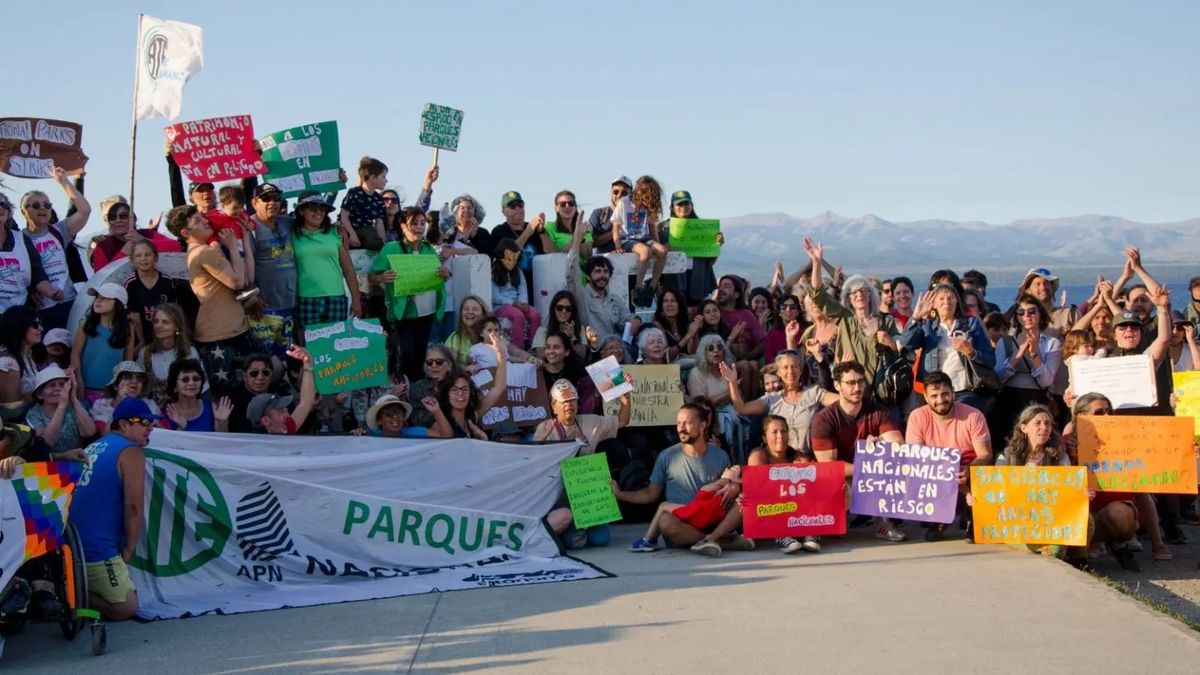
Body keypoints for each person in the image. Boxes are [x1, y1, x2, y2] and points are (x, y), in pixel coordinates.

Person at [612, 404, 751, 557]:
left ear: (702, 425)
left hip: (712, 520)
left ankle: (712, 538)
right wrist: (622, 495)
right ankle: (722, 542)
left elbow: (727, 483)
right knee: (664, 521)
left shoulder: (720, 455)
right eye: (678, 423)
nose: (681, 428)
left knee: (744, 503)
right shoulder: (667, 456)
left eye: (687, 423)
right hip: (682, 525)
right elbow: (651, 493)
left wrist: (735, 487)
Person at [72, 397, 155, 620]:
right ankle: (70, 596)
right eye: (144, 422)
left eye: (151, 423)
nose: (150, 428)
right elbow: (134, 507)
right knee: (126, 608)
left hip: (73, 544)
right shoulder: (131, 451)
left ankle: (68, 586)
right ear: (124, 424)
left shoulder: (96, 445)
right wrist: (129, 548)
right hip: (96, 547)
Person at [1062, 393, 1165, 570]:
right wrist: (1072, 457)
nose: (1107, 417)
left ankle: (1118, 543)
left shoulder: (1124, 444)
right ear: (1081, 417)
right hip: (1080, 516)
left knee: (1120, 514)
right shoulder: (1063, 444)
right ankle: (1082, 550)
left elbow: (1142, 491)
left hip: (1112, 514)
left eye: (1110, 412)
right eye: (1099, 413)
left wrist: (1158, 545)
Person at [810, 361, 905, 541]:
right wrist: (868, 461)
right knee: (842, 488)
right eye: (851, 383)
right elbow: (829, 466)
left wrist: (880, 448)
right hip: (841, 475)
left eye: (861, 382)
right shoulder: (823, 419)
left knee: (895, 468)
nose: (857, 387)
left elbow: (897, 445)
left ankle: (884, 523)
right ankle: (829, 520)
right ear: (837, 385)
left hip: (871, 471)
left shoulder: (878, 411)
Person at [168, 205, 252, 393]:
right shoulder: (204, 252)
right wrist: (231, 245)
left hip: (230, 330)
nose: (206, 221)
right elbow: (238, 282)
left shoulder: (203, 250)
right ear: (185, 232)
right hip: (221, 336)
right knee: (233, 394)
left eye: (202, 217)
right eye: (197, 221)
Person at [904, 372, 992, 541]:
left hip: (968, 464)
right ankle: (939, 518)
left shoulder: (973, 415)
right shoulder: (917, 416)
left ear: (953, 392)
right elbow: (915, 456)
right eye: (934, 396)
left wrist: (968, 469)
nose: (940, 400)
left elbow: (985, 454)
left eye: (945, 394)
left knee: (984, 473)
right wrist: (943, 470)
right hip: (935, 467)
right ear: (926, 397)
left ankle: (973, 515)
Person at [803, 239, 900, 389]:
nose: (859, 295)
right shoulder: (844, 319)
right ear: (848, 298)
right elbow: (818, 295)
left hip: (883, 394)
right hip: (852, 392)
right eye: (853, 292)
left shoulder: (886, 322)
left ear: (870, 295)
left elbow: (903, 354)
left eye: (863, 290)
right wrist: (816, 263)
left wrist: (891, 343)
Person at [370, 207, 450, 381]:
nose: (419, 227)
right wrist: (382, 276)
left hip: (427, 311)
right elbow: (371, 277)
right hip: (403, 312)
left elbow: (439, 276)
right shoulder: (391, 249)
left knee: (422, 353)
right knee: (406, 353)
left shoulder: (429, 249)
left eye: (423, 223)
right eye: (414, 223)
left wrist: (445, 275)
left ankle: (419, 391)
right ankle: (406, 390)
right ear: (403, 226)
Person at [724, 349, 837, 458]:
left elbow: (841, 402)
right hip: (779, 461)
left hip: (807, 460)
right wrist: (732, 382)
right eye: (785, 367)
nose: (790, 371)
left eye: (794, 366)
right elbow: (742, 408)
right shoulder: (771, 399)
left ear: (800, 370)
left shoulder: (814, 393)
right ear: (779, 372)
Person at [899, 284, 996, 409]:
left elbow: (990, 359)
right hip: (937, 392)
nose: (947, 302)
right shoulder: (927, 326)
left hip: (965, 389)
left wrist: (971, 352)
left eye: (951, 298)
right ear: (934, 304)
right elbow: (907, 343)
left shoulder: (971, 324)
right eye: (941, 298)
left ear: (957, 301)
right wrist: (916, 317)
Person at [20, 166, 91, 330]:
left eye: (47, 204)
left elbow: (84, 210)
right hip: (39, 309)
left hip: (69, 303)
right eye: (36, 205)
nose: (43, 208)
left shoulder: (59, 231)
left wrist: (63, 182)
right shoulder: (17, 239)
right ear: (24, 212)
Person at [746, 415, 822, 553]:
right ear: (764, 437)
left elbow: (818, 483)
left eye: (784, 431)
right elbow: (757, 488)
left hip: (798, 510)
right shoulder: (758, 455)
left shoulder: (800, 457)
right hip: (769, 510)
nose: (780, 436)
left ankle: (809, 533)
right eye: (774, 432)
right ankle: (782, 535)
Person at [993, 294, 1063, 442]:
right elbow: (998, 377)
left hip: (1036, 401)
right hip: (1008, 401)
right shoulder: (1005, 342)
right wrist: (1017, 355)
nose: (1026, 316)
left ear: (1040, 314)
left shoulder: (1052, 343)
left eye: (1032, 311)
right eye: (1021, 312)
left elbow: (1046, 380)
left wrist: (1034, 354)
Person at [293, 191, 362, 329]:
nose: (319, 212)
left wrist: (356, 300)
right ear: (301, 211)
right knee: (309, 348)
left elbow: (348, 271)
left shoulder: (335, 233)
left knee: (336, 346)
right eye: (313, 208)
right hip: (305, 299)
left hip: (336, 298)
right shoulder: (291, 233)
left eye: (322, 208)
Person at [247, 182, 298, 356]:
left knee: (286, 357)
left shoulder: (287, 222)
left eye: (276, 198)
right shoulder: (249, 227)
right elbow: (244, 264)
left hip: (289, 304)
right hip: (264, 307)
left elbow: (315, 218)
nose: (272, 202)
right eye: (266, 199)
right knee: (264, 360)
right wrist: (253, 295)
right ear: (255, 203)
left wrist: (340, 227)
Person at [567, 216, 636, 340]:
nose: (602, 275)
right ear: (588, 277)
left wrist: (637, 321)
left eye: (605, 271)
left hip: (616, 350)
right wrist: (577, 240)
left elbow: (626, 322)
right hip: (593, 351)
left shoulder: (615, 300)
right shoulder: (580, 296)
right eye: (597, 271)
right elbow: (571, 272)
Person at [123, 239, 197, 343]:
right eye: (138, 255)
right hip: (142, 336)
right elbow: (134, 316)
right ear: (132, 259)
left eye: (147, 254)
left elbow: (172, 312)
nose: (143, 258)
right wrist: (141, 341)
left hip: (165, 335)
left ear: (156, 257)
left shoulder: (166, 281)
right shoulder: (130, 283)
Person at [71, 283, 136, 401]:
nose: (98, 301)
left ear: (118, 304)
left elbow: (128, 359)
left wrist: (124, 386)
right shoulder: (86, 324)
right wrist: (78, 382)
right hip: (86, 388)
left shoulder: (127, 328)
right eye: (97, 297)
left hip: (113, 390)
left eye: (105, 298)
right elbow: (75, 353)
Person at [437, 335, 508, 438]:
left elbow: (499, 387)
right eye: (455, 390)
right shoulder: (440, 420)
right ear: (447, 394)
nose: (460, 393)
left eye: (465, 389)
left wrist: (501, 354)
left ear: (471, 393)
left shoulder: (472, 415)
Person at [534, 378, 630, 454]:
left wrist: (626, 398)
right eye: (564, 401)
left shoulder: (592, 422)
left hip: (586, 476)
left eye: (572, 400)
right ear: (553, 407)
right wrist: (540, 443)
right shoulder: (545, 428)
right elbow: (537, 462)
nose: (569, 404)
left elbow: (622, 421)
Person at [613, 176, 668, 307]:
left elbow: (652, 227)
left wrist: (657, 244)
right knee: (645, 252)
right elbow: (616, 226)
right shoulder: (624, 203)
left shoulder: (647, 207)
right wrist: (617, 244)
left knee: (663, 251)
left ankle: (652, 287)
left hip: (644, 237)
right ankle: (638, 287)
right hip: (628, 238)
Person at [89, 195, 181, 271]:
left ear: (133, 217)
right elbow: (101, 276)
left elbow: (178, 248)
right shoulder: (103, 246)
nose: (118, 220)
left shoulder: (147, 234)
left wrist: (143, 241)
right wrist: (124, 253)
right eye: (111, 217)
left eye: (123, 216)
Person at [0, 194, 56, 317]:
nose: (1, 208)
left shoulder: (21, 239)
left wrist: (52, 292)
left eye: (4, 205)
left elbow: (36, 273)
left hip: (19, 314)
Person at [138, 303, 203, 401]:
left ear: (177, 327)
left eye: (165, 322)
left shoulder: (189, 352)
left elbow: (201, 384)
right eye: (156, 321)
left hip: (183, 410)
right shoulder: (145, 353)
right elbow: (140, 386)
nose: (158, 326)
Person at [25, 365, 95, 456]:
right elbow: (46, 443)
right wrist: (61, 407)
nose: (57, 388)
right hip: (48, 463)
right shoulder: (34, 414)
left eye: (62, 385)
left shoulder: (74, 407)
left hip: (77, 459)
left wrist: (73, 398)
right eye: (52, 385)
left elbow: (89, 432)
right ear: (39, 394)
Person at [247, 346, 318, 434]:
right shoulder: (253, 445)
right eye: (281, 410)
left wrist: (307, 364)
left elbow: (306, 402)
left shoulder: (287, 429)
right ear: (266, 421)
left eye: (284, 408)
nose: (287, 411)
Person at [490, 191, 551, 289]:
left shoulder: (535, 229)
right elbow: (506, 259)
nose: (517, 209)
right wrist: (527, 232)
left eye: (520, 205)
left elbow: (552, 253)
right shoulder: (499, 231)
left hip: (538, 287)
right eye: (512, 206)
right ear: (503, 211)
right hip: (512, 289)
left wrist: (541, 231)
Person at [491, 238, 540, 349]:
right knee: (518, 316)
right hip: (501, 306)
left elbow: (522, 288)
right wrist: (513, 303)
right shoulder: (492, 272)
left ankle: (535, 347)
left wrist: (523, 303)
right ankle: (518, 348)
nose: (511, 262)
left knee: (535, 315)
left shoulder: (518, 271)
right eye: (508, 258)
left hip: (517, 304)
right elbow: (495, 296)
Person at [162, 358, 232, 432]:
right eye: (185, 379)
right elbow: (165, 442)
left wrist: (222, 423)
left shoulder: (211, 407)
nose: (191, 383)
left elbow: (220, 441)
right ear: (174, 386)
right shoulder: (166, 413)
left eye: (196, 379)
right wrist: (180, 428)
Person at [90, 361, 160, 434]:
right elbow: (106, 435)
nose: (134, 381)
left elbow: (164, 431)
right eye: (128, 377)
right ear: (115, 385)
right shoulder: (102, 405)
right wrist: (121, 403)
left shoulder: (149, 403)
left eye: (139, 378)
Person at [339, 156, 389, 251]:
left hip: (366, 232)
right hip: (348, 229)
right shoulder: (354, 192)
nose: (386, 180)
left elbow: (379, 225)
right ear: (373, 178)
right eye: (383, 177)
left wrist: (383, 247)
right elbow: (344, 216)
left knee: (371, 236)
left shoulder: (378, 199)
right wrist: (352, 234)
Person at [1008, 267, 1075, 337]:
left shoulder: (1069, 314)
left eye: (1046, 283)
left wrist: (1070, 336)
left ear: (1051, 287)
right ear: (1028, 291)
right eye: (1038, 284)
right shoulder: (1023, 319)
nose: (1043, 287)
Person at [0, 304, 45, 406]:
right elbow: (10, 407)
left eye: (40, 324)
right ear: (19, 327)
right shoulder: (7, 363)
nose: (41, 329)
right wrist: (44, 392)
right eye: (35, 325)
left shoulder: (28, 353)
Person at [364, 393, 451, 438]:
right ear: (379, 420)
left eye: (398, 412)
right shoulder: (369, 437)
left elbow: (446, 436)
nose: (395, 417)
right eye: (389, 414)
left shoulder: (413, 433)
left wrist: (436, 411)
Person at [533, 290, 587, 359]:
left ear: (572, 311)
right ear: (554, 309)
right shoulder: (543, 329)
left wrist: (573, 337)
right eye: (560, 308)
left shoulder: (580, 328)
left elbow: (582, 355)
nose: (564, 311)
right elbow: (541, 355)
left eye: (568, 309)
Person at [653, 287, 702, 361]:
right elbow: (666, 357)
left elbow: (692, 352)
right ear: (661, 306)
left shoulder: (686, 324)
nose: (669, 304)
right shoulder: (657, 325)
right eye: (666, 301)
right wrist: (688, 336)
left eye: (673, 300)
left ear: (680, 305)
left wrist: (695, 333)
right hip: (666, 370)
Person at [586, 176, 632, 254]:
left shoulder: (636, 215)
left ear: (631, 194)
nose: (619, 195)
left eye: (624, 193)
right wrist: (615, 232)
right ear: (611, 192)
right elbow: (589, 243)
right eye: (616, 192)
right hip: (603, 263)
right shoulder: (599, 213)